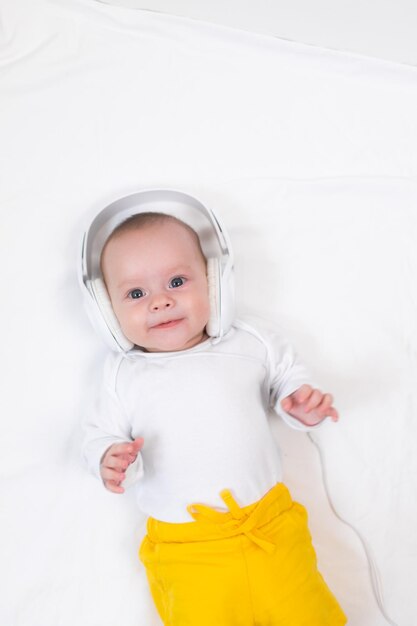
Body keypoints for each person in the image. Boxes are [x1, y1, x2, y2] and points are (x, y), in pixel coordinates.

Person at [82, 198, 347, 625]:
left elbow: (287, 377)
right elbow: (99, 434)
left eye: (177, 281)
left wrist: (298, 401)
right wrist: (108, 458)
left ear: (215, 281)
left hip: (270, 529)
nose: (160, 301)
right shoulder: (122, 375)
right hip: (188, 552)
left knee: (308, 613)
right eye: (136, 293)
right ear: (105, 313)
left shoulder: (248, 343)